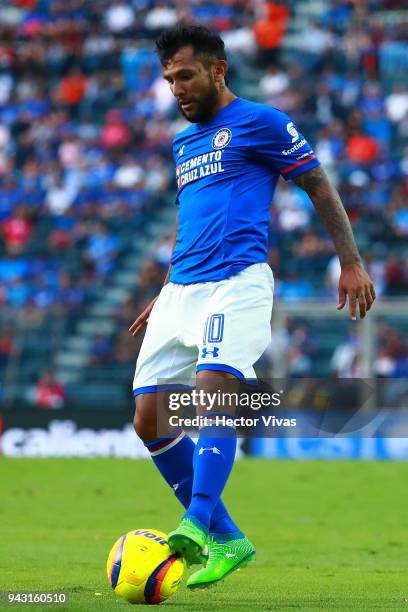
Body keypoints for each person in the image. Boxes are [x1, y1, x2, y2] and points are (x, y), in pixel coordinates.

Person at [129, 24, 376, 589]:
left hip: (235, 282)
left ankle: (195, 523)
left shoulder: (262, 122)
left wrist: (352, 261)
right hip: (181, 288)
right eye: (169, 79)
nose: (176, 89)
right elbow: (190, 214)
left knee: (214, 391)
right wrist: (164, 289)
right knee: (148, 420)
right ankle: (229, 538)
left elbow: (318, 185)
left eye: (185, 76)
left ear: (218, 70)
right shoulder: (183, 142)